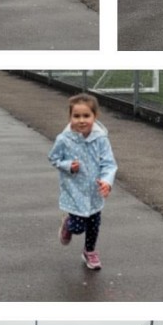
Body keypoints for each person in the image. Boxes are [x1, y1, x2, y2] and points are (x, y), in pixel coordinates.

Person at [48, 93, 118, 272]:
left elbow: (109, 163)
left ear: (95, 116)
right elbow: (53, 158)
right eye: (76, 116)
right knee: (78, 227)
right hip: (74, 190)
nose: (81, 120)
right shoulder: (64, 139)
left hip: (94, 191)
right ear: (70, 117)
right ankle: (68, 224)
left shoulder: (101, 139)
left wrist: (107, 182)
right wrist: (67, 165)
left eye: (86, 115)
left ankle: (90, 251)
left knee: (94, 224)